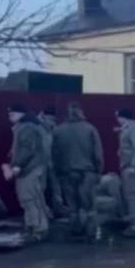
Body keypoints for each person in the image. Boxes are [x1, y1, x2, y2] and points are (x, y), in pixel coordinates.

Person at [53, 102, 104, 241]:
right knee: (89, 206)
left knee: (73, 206)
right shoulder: (90, 129)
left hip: (66, 173)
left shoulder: (58, 130)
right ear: (81, 112)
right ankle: (91, 233)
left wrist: (57, 172)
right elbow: (97, 152)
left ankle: (75, 230)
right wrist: (99, 170)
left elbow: (55, 154)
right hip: (87, 173)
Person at [4, 103, 48, 241]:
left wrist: (17, 165)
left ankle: (39, 229)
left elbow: (27, 149)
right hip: (29, 169)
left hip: (29, 170)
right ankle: (32, 227)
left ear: (20, 114)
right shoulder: (26, 126)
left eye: (12, 114)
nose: (9, 117)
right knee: (28, 200)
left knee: (31, 200)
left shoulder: (26, 128)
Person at [115, 109, 135, 238]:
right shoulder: (129, 129)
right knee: (131, 197)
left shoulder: (134, 130)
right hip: (128, 167)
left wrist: (133, 166)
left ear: (122, 117)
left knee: (133, 196)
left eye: (117, 116)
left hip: (132, 168)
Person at [38, 104, 66, 217]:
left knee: (56, 186)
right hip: (40, 162)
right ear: (43, 116)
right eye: (50, 119)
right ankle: (42, 211)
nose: (52, 121)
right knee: (41, 187)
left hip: (52, 161)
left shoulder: (53, 128)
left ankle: (58, 208)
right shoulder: (36, 127)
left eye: (54, 119)